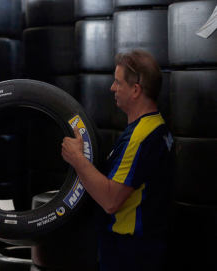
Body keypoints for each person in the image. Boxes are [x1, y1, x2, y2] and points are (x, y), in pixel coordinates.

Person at [61, 49, 173, 271]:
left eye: (118, 82)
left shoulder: (141, 137)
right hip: (138, 249)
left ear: (135, 90)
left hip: (131, 253)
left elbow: (111, 200)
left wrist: (77, 159)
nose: (112, 88)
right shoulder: (155, 126)